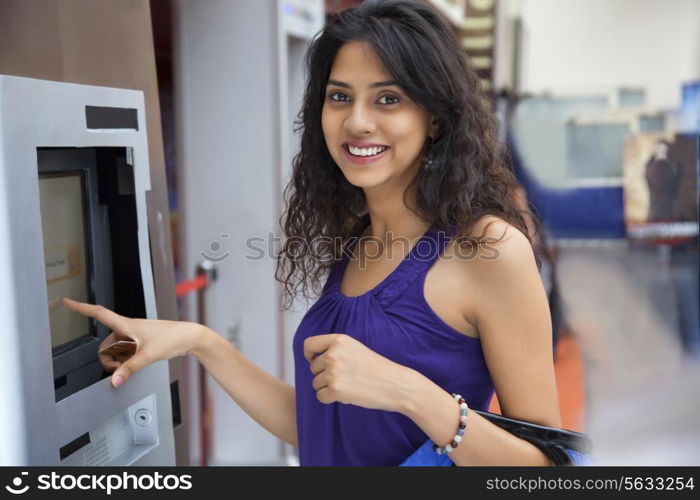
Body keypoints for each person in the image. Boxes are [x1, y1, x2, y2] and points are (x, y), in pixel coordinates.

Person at [64, 0, 560, 466]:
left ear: (434, 120)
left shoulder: (488, 250)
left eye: (388, 98)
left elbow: (547, 464)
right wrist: (199, 341)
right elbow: (320, 424)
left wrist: (411, 394)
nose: (358, 121)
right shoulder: (358, 240)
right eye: (339, 96)